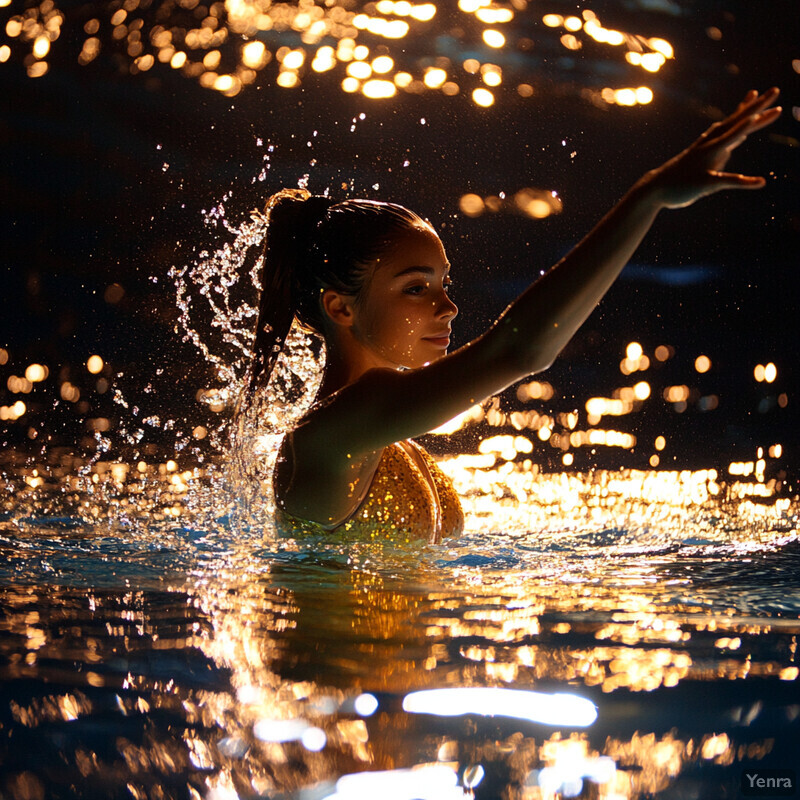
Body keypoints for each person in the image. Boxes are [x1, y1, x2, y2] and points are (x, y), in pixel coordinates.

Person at [251, 89, 780, 544]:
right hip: (325, 668)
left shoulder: (388, 439)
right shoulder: (330, 435)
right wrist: (649, 198)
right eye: (416, 287)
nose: (448, 306)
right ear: (340, 307)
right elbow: (521, 350)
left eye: (443, 283)